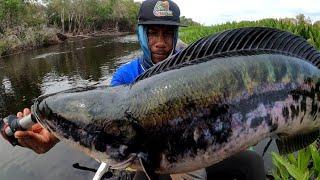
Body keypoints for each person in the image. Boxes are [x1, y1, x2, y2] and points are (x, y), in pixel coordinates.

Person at [2, 0, 265, 179]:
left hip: (199, 150)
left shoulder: (196, 67)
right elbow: (103, 117)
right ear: (141, 34)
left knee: (251, 164)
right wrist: (52, 134)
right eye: (153, 34)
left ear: (175, 36)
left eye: (167, 34)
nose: (160, 43)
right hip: (154, 161)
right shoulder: (125, 76)